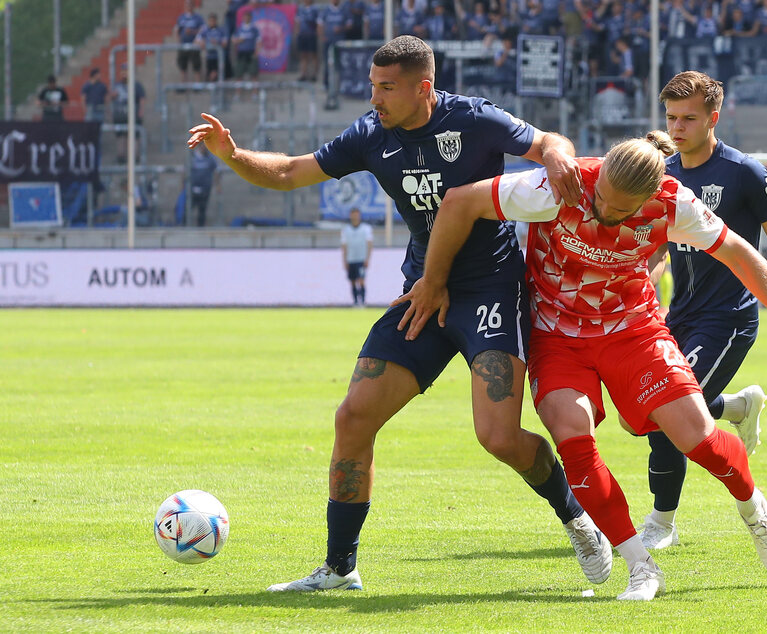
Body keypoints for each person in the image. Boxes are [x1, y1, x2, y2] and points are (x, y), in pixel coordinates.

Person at [186, 35, 611, 593]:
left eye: (387, 88)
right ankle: (340, 568)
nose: (376, 98)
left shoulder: (474, 119)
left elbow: (548, 140)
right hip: (422, 297)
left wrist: (556, 151)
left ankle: (577, 519)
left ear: (423, 88)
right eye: (372, 86)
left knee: (499, 439)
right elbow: (290, 171)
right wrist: (233, 155)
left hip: (490, 292)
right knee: (352, 418)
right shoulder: (370, 134)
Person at [397, 130, 767, 601]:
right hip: (559, 338)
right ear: (600, 172)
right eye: (602, 198)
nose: (603, 212)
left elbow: (742, 255)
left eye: (620, 210)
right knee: (572, 435)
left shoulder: (674, 204)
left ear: (651, 196)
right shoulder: (560, 185)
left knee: (696, 439)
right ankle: (640, 567)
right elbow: (461, 200)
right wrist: (433, 280)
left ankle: (755, 510)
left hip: (634, 333)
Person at [632, 70, 767, 551]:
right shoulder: (663, 175)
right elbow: (652, 247)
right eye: (671, 118)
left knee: (664, 414)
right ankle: (737, 406)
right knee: (662, 404)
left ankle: (661, 522)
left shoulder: (744, 173)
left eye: (688, 118)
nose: (676, 128)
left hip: (729, 320)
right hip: (678, 317)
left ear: (713, 118)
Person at [112, 64, 146, 163]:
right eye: (123, 72)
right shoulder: (117, 85)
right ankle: (121, 157)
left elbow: (142, 99)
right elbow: (109, 97)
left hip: (133, 115)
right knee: (121, 137)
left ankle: (135, 158)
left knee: (134, 137)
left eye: (126, 72)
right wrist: (113, 95)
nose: (124, 75)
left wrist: (141, 111)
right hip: (120, 115)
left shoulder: (136, 85)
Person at [341, 208, 373, 306]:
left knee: (361, 280)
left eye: (356, 214)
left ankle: (362, 301)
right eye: (353, 214)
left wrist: (367, 258)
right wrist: (344, 260)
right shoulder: (346, 230)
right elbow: (344, 246)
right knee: (353, 281)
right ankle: (355, 302)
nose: (355, 216)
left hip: (361, 259)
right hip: (351, 259)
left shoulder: (366, 228)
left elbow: (369, 244)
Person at [188, 144, 220, 226]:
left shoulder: (210, 158)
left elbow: (216, 171)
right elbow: (185, 171)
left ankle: (200, 226)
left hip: (205, 188)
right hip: (193, 188)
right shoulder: (192, 157)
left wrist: (217, 185)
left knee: (202, 209)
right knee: (188, 207)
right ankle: (186, 225)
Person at [176, 0, 205, 83]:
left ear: (193, 6)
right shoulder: (181, 17)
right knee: (183, 67)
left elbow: (202, 30)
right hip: (183, 45)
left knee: (196, 66)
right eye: (187, 4)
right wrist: (179, 41)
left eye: (190, 4)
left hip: (194, 45)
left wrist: (192, 32)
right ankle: (183, 84)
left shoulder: (198, 18)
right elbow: (178, 30)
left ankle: (197, 84)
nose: (189, 6)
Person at [197, 12, 229, 82]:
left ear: (216, 21)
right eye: (210, 21)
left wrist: (217, 43)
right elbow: (197, 40)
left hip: (218, 57)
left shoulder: (221, 30)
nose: (212, 22)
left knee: (217, 74)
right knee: (209, 74)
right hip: (209, 56)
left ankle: (218, 89)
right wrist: (202, 42)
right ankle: (212, 88)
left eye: (213, 21)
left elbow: (225, 43)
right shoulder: (205, 30)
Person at [232, 11, 261, 80]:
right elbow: (233, 40)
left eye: (248, 17)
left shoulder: (254, 29)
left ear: (250, 18)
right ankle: (238, 90)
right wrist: (239, 40)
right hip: (241, 53)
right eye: (245, 17)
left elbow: (259, 41)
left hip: (251, 52)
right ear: (243, 18)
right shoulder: (239, 29)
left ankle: (255, 90)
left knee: (254, 73)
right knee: (239, 73)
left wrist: (257, 52)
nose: (246, 19)